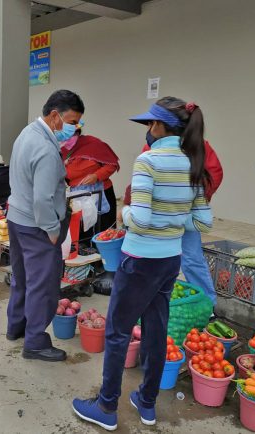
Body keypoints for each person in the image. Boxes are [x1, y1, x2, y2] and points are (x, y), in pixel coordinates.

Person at [73, 97, 212, 430]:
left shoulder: (148, 160)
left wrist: (124, 213)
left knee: (118, 332)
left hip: (139, 260)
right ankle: (146, 403)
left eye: (150, 124)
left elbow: (142, 218)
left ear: (158, 126)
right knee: (155, 329)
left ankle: (106, 407)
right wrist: (174, 220)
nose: (147, 131)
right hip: (169, 260)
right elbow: (202, 222)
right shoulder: (193, 162)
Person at [6, 89, 85, 362]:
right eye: (73, 122)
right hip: (36, 226)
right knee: (43, 286)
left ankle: (16, 327)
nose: (75, 128)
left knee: (22, 279)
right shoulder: (47, 150)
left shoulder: (27, 133)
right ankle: (36, 342)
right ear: (55, 116)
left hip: (16, 218)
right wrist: (52, 230)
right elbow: (42, 199)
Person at [123, 138, 222, 307]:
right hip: (155, 214)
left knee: (191, 259)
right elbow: (141, 181)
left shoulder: (197, 144)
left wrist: (188, 198)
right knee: (153, 261)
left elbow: (213, 174)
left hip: (183, 212)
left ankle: (207, 305)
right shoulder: (151, 145)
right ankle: (151, 300)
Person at [61, 128, 120, 235]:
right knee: (83, 230)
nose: (65, 139)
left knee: (105, 231)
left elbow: (112, 164)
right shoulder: (62, 150)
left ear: (77, 132)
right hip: (78, 197)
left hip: (102, 193)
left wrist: (96, 176)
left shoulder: (93, 143)